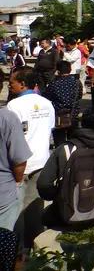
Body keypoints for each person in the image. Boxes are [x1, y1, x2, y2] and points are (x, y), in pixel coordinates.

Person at [36, 109, 94, 228]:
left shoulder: (64, 150)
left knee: (45, 216)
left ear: (82, 124)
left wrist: (59, 195)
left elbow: (43, 184)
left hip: (65, 214)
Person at [7, 67, 55, 251]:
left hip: (19, 165)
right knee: (35, 208)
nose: (10, 86)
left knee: (16, 211)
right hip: (41, 161)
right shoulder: (47, 103)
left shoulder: (14, 106)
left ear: (23, 84)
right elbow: (49, 129)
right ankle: (34, 247)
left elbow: (10, 138)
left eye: (12, 83)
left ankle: (15, 250)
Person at [0, 88, 31, 231]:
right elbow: (19, 159)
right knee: (4, 238)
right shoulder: (7, 118)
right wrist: (18, 181)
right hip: (3, 192)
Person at [42, 61, 82, 148]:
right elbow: (79, 96)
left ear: (58, 71)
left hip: (59, 115)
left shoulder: (54, 84)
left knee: (59, 141)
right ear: (70, 70)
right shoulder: (77, 83)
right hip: (73, 114)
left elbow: (46, 97)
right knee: (74, 141)